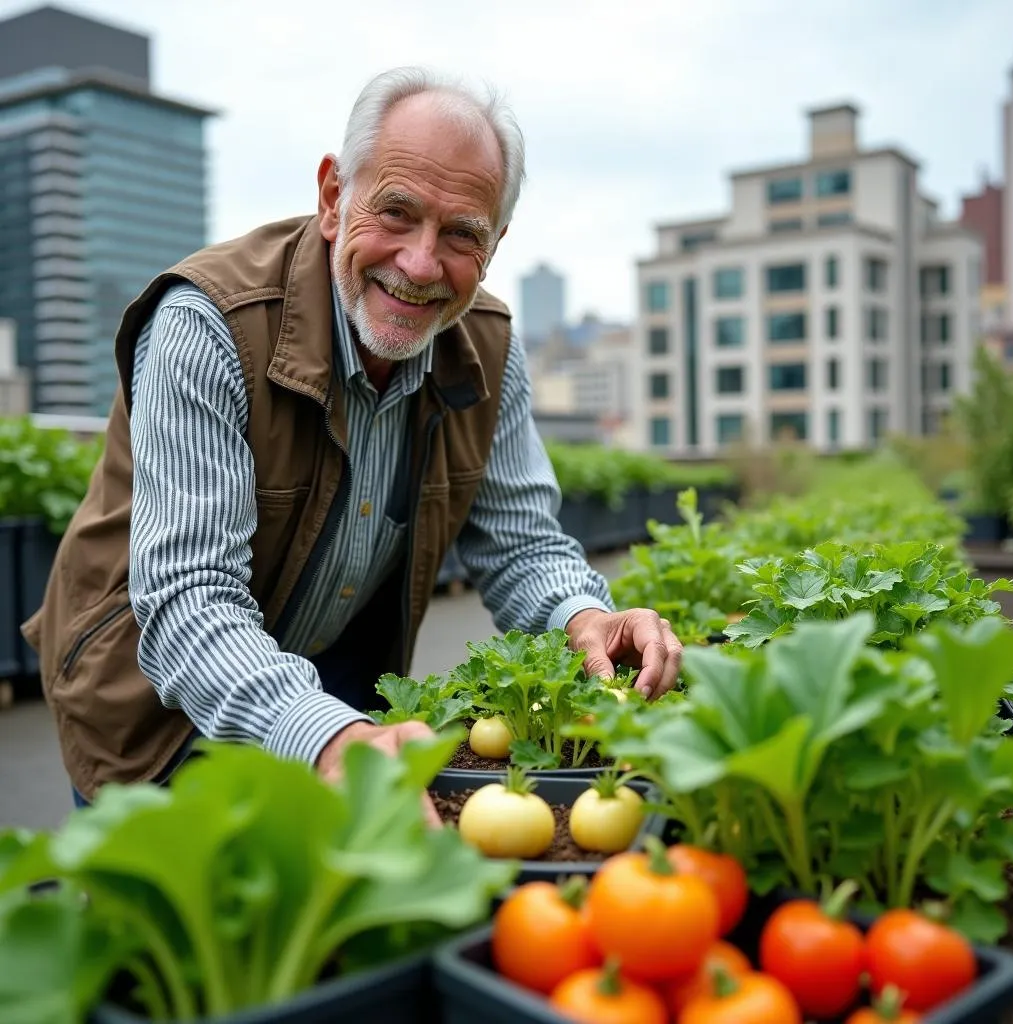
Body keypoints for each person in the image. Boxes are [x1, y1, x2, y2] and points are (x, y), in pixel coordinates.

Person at [23, 67, 683, 807]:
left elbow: (522, 543)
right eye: (397, 212)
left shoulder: (487, 344)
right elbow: (187, 600)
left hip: (334, 674)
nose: (421, 263)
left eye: (462, 233)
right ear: (335, 197)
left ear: (494, 244)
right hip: (155, 705)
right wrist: (329, 737)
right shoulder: (208, 323)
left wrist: (584, 616)